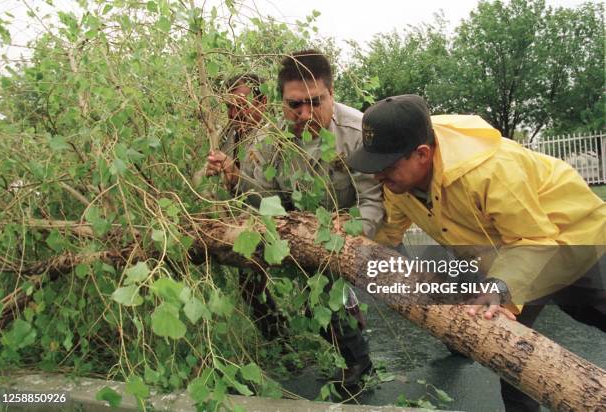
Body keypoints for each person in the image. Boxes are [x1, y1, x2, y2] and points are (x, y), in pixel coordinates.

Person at [346, 94, 605, 411]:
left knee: (589, 308)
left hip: (568, 234)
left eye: (385, 166)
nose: (377, 176)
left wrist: (498, 287)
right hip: (511, 252)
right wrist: (348, 240)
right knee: (512, 354)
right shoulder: (399, 184)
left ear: (422, 154)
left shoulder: (489, 170)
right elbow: (390, 232)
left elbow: (535, 239)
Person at [210, 50, 384, 392]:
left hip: (361, 226)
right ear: (281, 103)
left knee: (413, 294)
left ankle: (455, 334)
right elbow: (263, 198)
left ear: (331, 95)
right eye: (294, 105)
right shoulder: (270, 140)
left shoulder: (357, 132)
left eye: (315, 102)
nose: (304, 114)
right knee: (313, 289)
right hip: (309, 229)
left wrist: (346, 236)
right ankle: (357, 364)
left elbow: (373, 204)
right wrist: (234, 178)